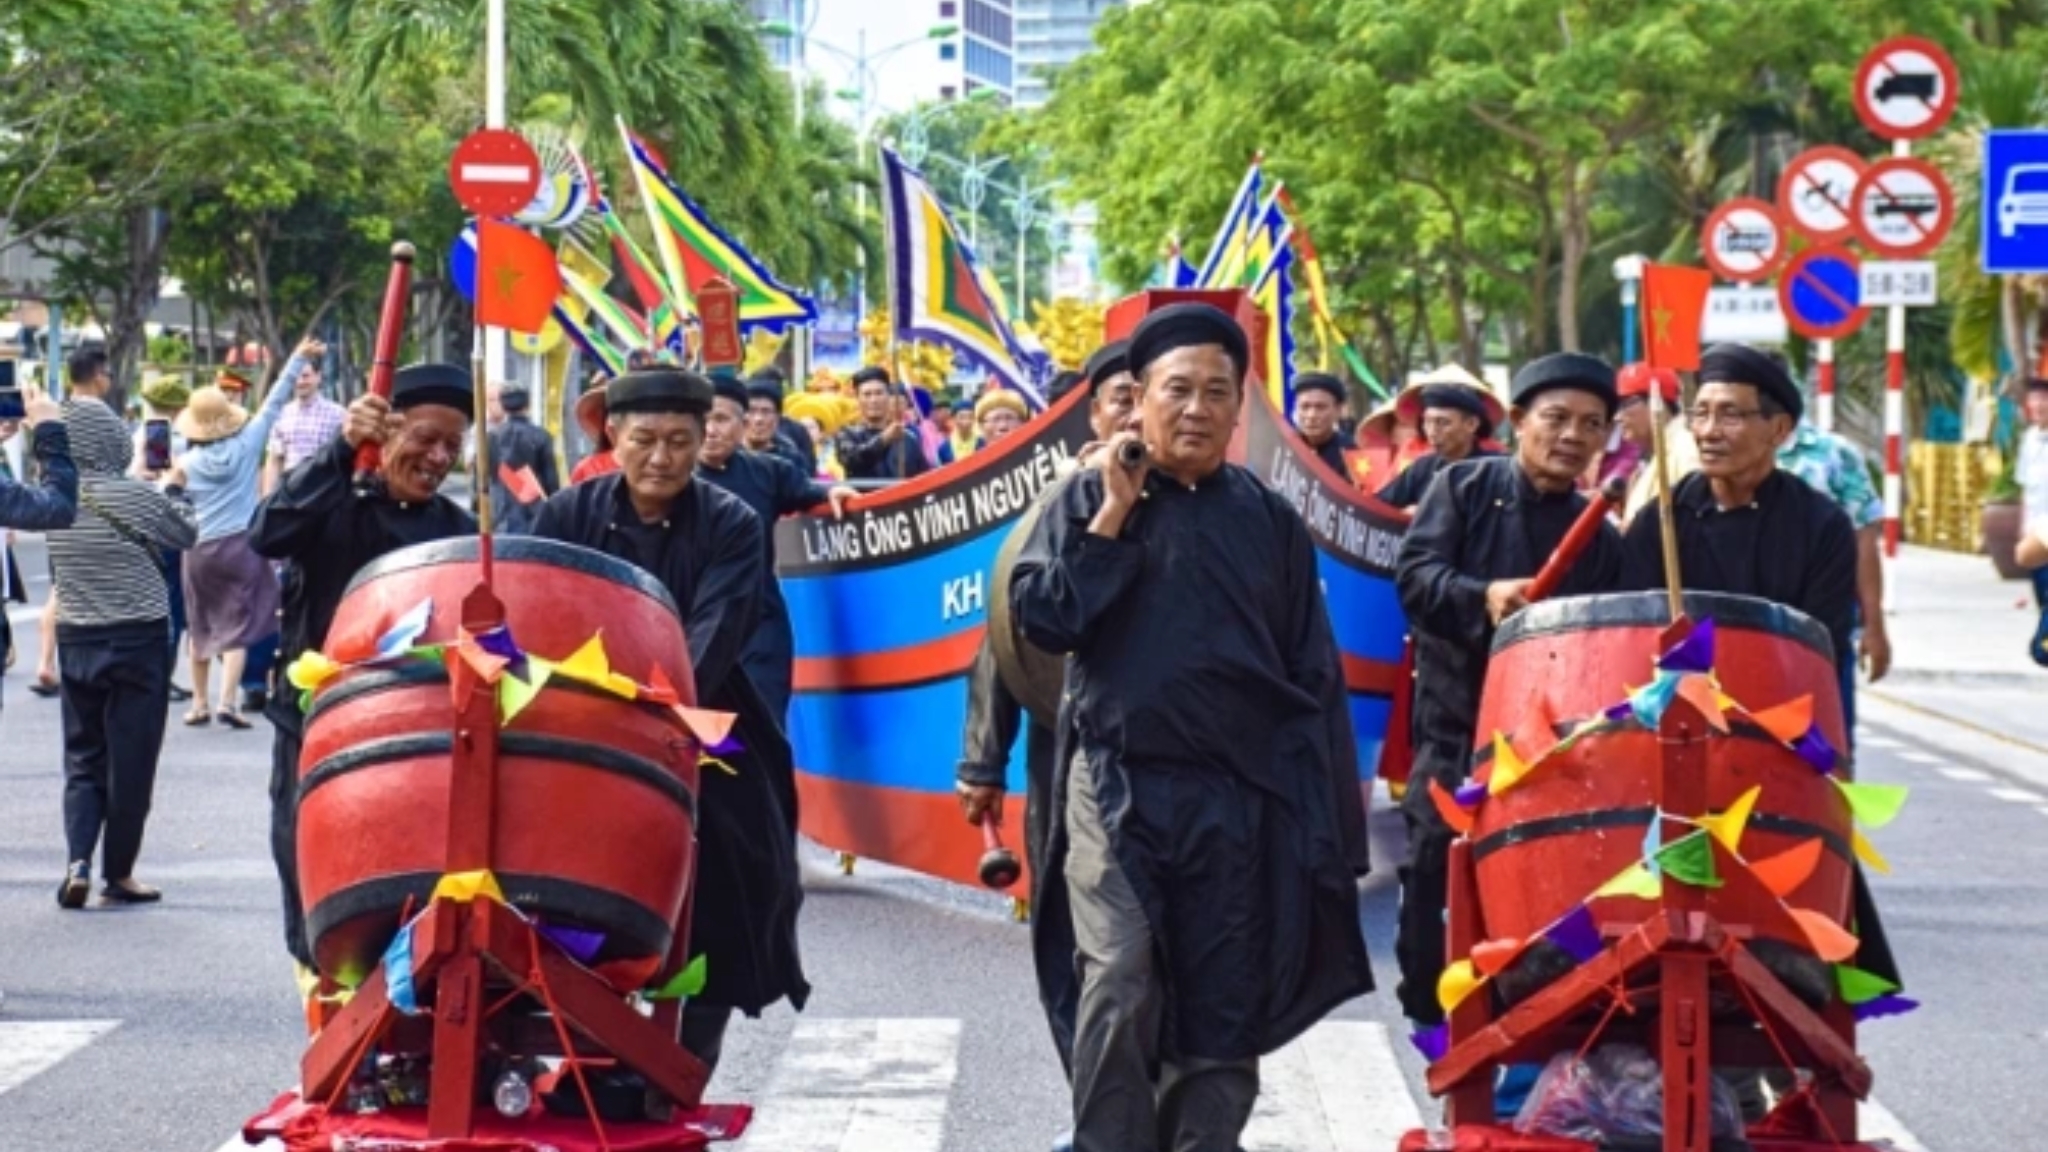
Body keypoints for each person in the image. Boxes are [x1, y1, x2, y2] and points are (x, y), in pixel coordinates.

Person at [1010, 304, 1373, 1152]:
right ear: (1139, 398)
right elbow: (1045, 620)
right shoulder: (1085, 497)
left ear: (1239, 404)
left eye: (1219, 392)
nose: (1199, 409)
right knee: (1122, 978)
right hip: (1117, 782)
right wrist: (1113, 513)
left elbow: (1311, 674)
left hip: (1238, 798)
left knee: (1222, 996)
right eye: (1180, 390)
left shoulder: (1270, 519)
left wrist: (1330, 827)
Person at [532, 366, 810, 1072]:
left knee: (740, 866)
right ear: (612, 436)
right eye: (646, 439)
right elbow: (539, 613)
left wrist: (655, 719)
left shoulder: (732, 521)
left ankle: (684, 1067)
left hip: (701, 710)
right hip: (579, 713)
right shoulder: (567, 513)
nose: (662, 458)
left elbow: (716, 631)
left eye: (680, 442)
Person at [1392, 351, 1623, 1027]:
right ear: (1520, 421)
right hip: (1456, 737)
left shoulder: (1601, 538)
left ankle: (1535, 1037)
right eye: (1555, 419)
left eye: (1591, 424)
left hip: (1554, 755)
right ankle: (1437, 1032)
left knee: (1546, 903)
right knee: (1438, 884)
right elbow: (1415, 579)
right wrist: (1482, 595)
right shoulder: (1462, 490)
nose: (1571, 437)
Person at [249, 364, 478, 968]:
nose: (438, 457)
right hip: (318, 734)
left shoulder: (460, 534)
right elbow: (266, 533)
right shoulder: (331, 506)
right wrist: (341, 448)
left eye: (452, 446)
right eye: (426, 438)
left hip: (422, 746)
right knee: (319, 902)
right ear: (386, 429)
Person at [957, 337, 1135, 1094]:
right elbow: (1003, 638)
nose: (1135, 410)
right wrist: (982, 761)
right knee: (1071, 942)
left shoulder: (1227, 508)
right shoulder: (1058, 506)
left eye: (1147, 391)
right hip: (1068, 753)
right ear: (1094, 412)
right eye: (1119, 396)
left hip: (1185, 766)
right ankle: (1094, 1106)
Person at [48, 388, 200, 908]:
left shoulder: (55, 498)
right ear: (115, 439)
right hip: (138, 642)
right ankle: (120, 873)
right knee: (131, 760)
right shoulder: (137, 495)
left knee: (83, 757)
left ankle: (77, 862)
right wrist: (174, 490)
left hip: (76, 639)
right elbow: (187, 536)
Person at [697, 373, 854, 723]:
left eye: (721, 419)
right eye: (702, 419)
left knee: (764, 727)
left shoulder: (768, 472)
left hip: (759, 623)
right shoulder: (672, 478)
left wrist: (832, 494)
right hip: (694, 623)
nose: (710, 430)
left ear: (742, 424)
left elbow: (809, 491)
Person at [176, 343, 311, 729]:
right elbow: (273, 401)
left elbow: (166, 495)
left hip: (199, 546)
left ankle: (198, 703)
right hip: (241, 544)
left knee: (199, 622)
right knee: (238, 625)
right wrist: (297, 357)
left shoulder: (185, 462)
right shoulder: (247, 444)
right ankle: (227, 702)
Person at [1775, 395, 1891, 738]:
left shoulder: (1834, 455)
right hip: (1747, 628)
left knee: (1828, 746)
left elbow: (1864, 541)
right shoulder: (1716, 453)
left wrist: (1874, 626)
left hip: (1822, 627)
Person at [1376, 367, 1504, 509]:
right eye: (1427, 422)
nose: (1432, 431)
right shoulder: (1422, 468)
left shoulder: (1498, 470)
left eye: (1443, 422)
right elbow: (1378, 506)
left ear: (1471, 424)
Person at [1613, 362, 1699, 527]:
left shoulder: (1685, 451)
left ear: (1657, 403)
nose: (1617, 417)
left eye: (1626, 404)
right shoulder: (1652, 456)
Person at [263, 351, 347, 494]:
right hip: (290, 494)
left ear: (318, 377)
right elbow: (274, 460)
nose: (301, 381)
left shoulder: (338, 414)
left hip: (324, 493)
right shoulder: (282, 415)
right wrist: (267, 497)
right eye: (297, 377)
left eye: (306, 376)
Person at [485, 384, 560, 534]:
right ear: (528, 405)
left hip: (500, 515)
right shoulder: (541, 436)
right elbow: (551, 482)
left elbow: (483, 481)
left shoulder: (491, 437)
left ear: (503, 406)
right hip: (533, 513)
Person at [837, 367, 931, 481]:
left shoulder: (909, 438)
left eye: (879, 393)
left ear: (889, 396)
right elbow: (851, 459)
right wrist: (884, 439)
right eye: (867, 394)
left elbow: (925, 479)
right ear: (858, 398)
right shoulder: (847, 434)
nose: (873, 400)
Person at [2018, 377, 2048, 665]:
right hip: (2036, 537)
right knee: (2042, 600)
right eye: (2034, 400)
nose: (2039, 406)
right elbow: (2027, 490)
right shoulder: (2029, 440)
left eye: (2044, 400)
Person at [1291, 371, 1355, 478]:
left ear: (1338, 410)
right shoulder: (1283, 448)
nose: (1311, 415)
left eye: (1320, 407)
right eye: (1305, 407)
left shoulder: (1352, 454)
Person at [941, 397, 978, 465]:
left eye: (970, 417)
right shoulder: (944, 448)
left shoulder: (981, 443)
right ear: (953, 419)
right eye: (962, 417)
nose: (967, 422)